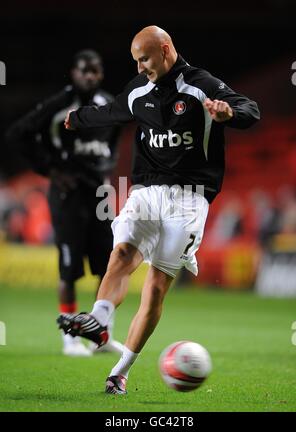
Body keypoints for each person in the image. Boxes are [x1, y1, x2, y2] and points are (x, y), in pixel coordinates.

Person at [57, 26, 260, 393]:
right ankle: (100, 320)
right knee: (121, 253)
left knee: (155, 289)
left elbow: (250, 108)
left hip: (190, 198)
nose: (140, 67)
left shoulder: (202, 86)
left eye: (145, 59)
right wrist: (77, 118)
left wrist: (229, 113)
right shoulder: (139, 91)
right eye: (136, 60)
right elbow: (112, 112)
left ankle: (120, 371)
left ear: (165, 50)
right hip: (147, 190)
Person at [6, 49, 124, 357]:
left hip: (99, 193)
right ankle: (69, 339)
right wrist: (51, 169)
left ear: (101, 74)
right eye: (84, 70)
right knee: (69, 270)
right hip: (67, 194)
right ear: (73, 73)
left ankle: (101, 335)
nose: (90, 76)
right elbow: (18, 134)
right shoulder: (59, 105)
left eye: (95, 71)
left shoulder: (109, 105)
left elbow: (115, 139)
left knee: (107, 266)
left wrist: (107, 164)